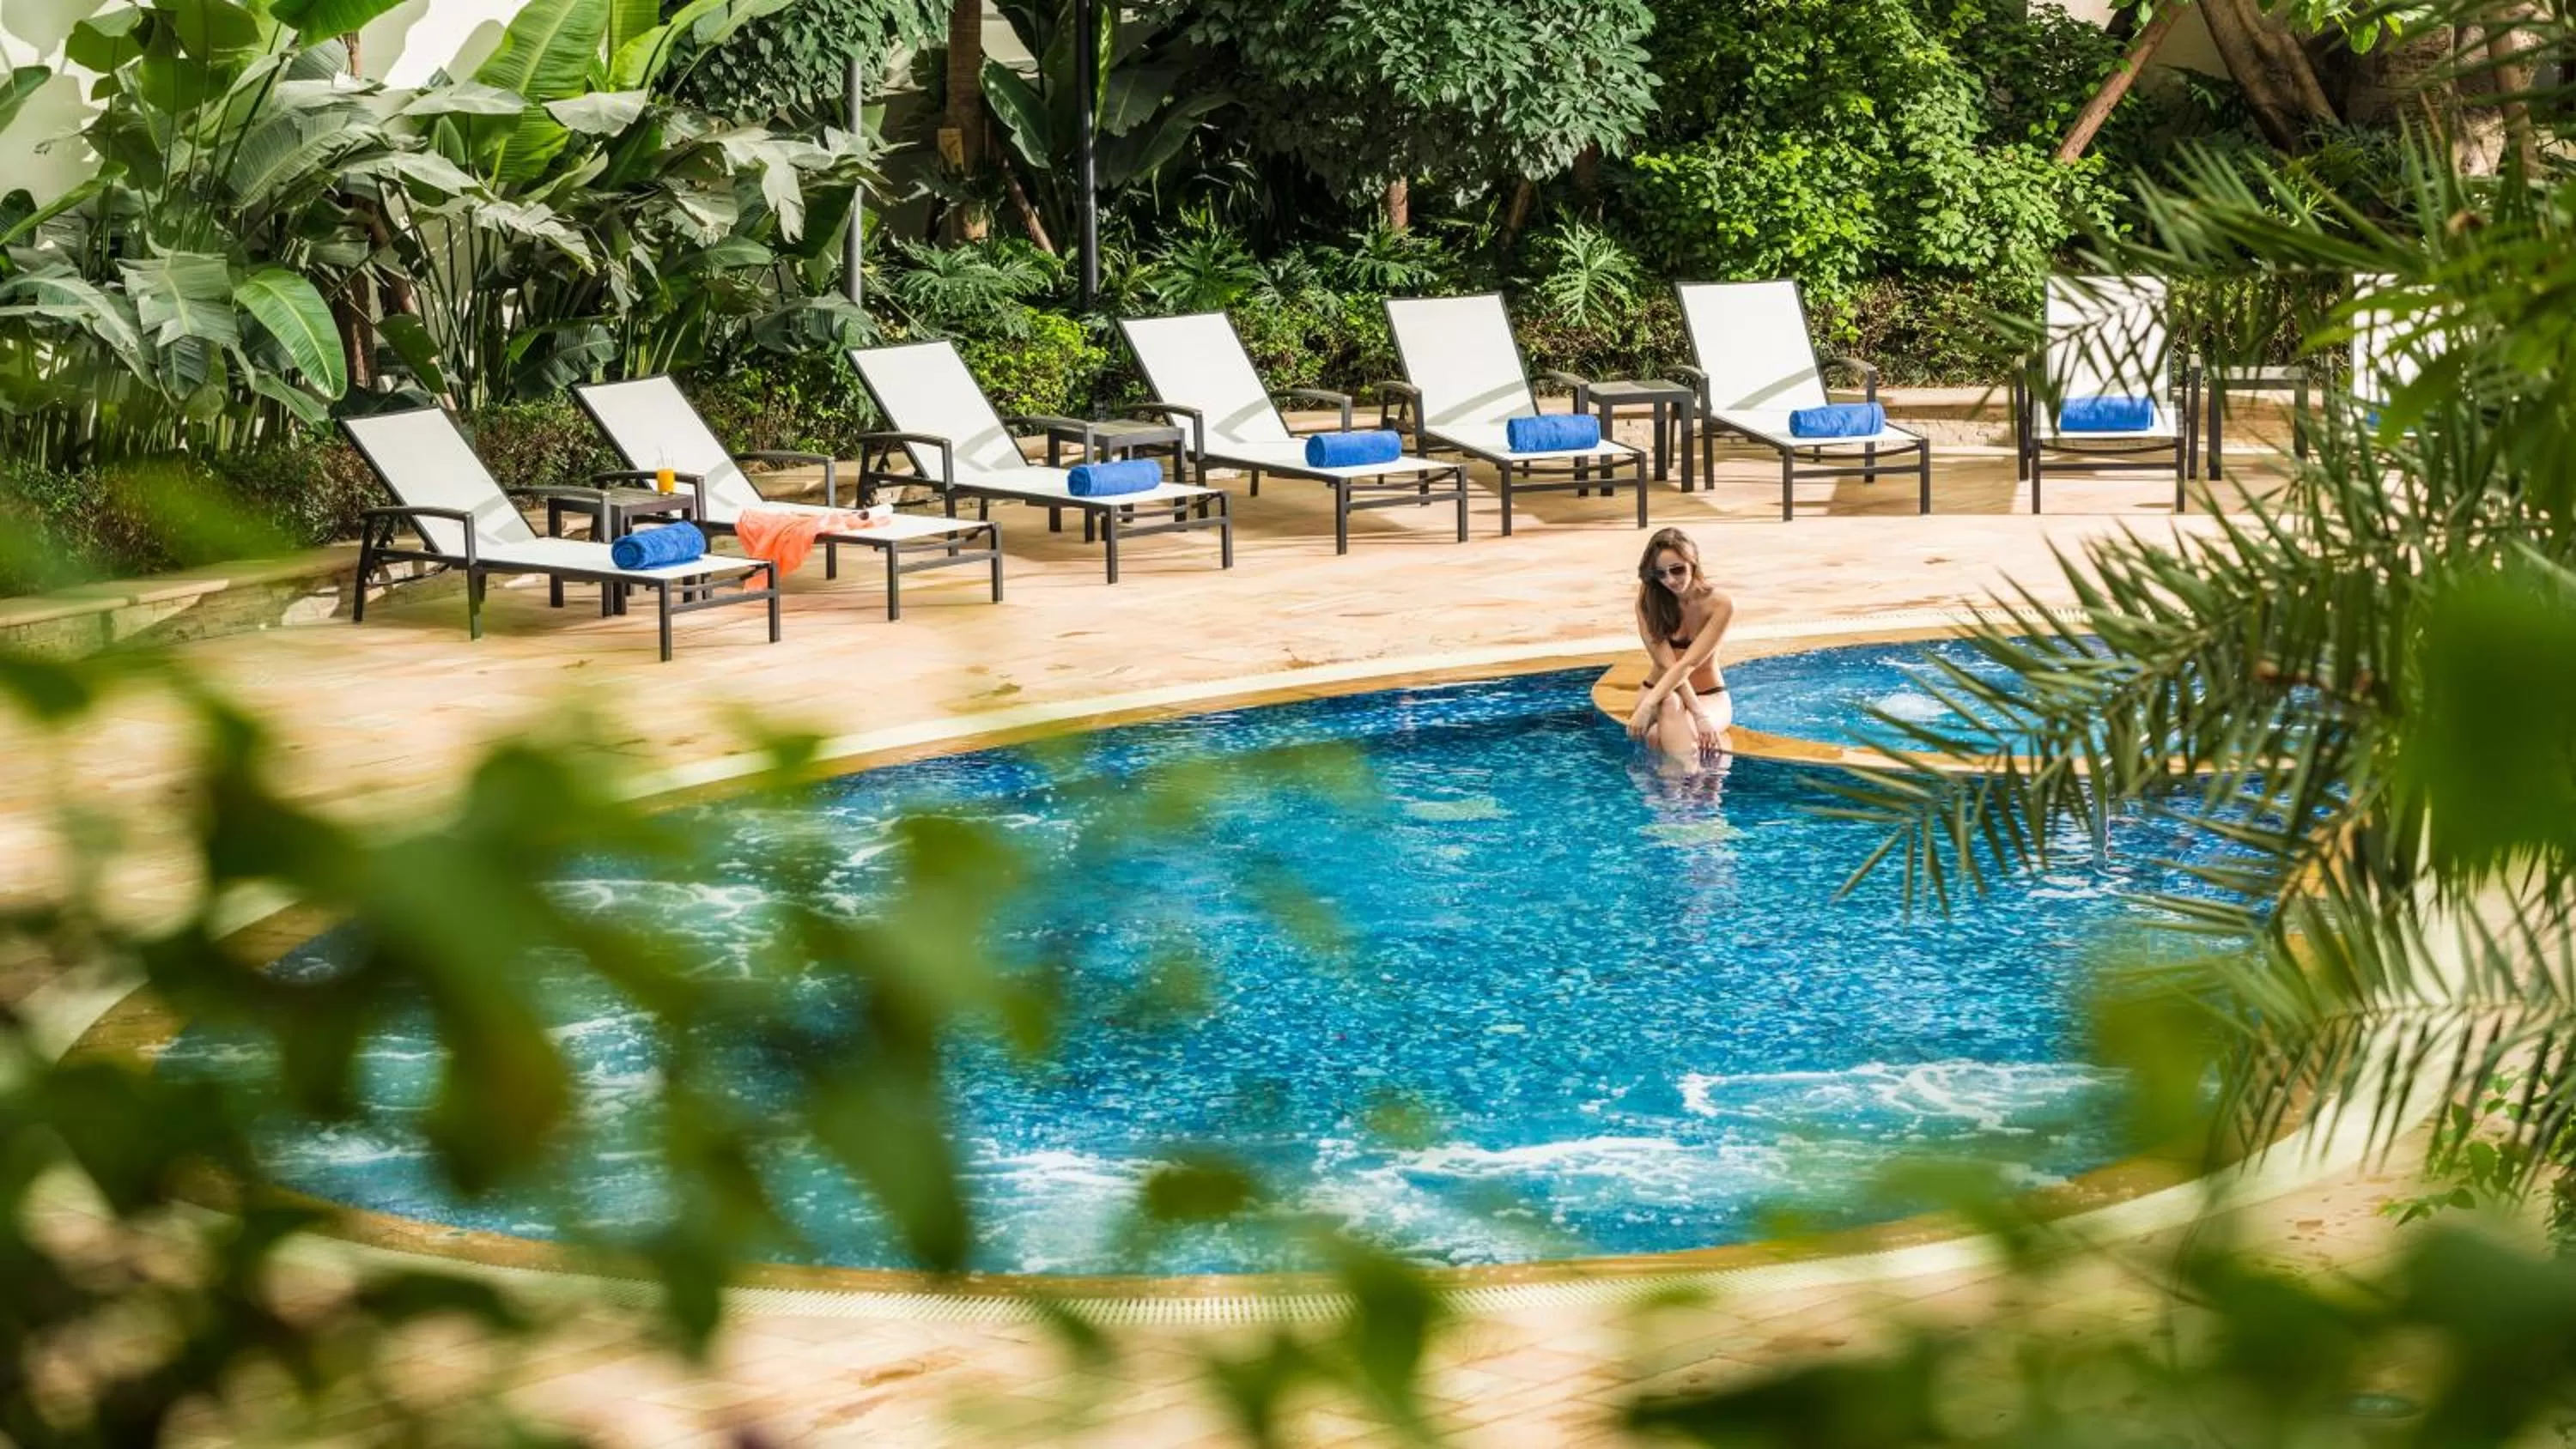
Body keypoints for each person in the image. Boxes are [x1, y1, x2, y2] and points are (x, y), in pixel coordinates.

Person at [1627, 527, 1735, 773]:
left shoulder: (1720, 604)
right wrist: (1651, 703)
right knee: (1668, 703)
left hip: (1708, 695)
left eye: (1677, 570)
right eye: (1660, 574)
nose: (1670, 581)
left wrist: (1699, 713)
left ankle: (1672, 798)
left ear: (1693, 562)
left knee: (1657, 735)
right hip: (1658, 690)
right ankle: (1687, 795)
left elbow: (1688, 664)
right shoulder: (1648, 601)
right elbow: (1667, 665)